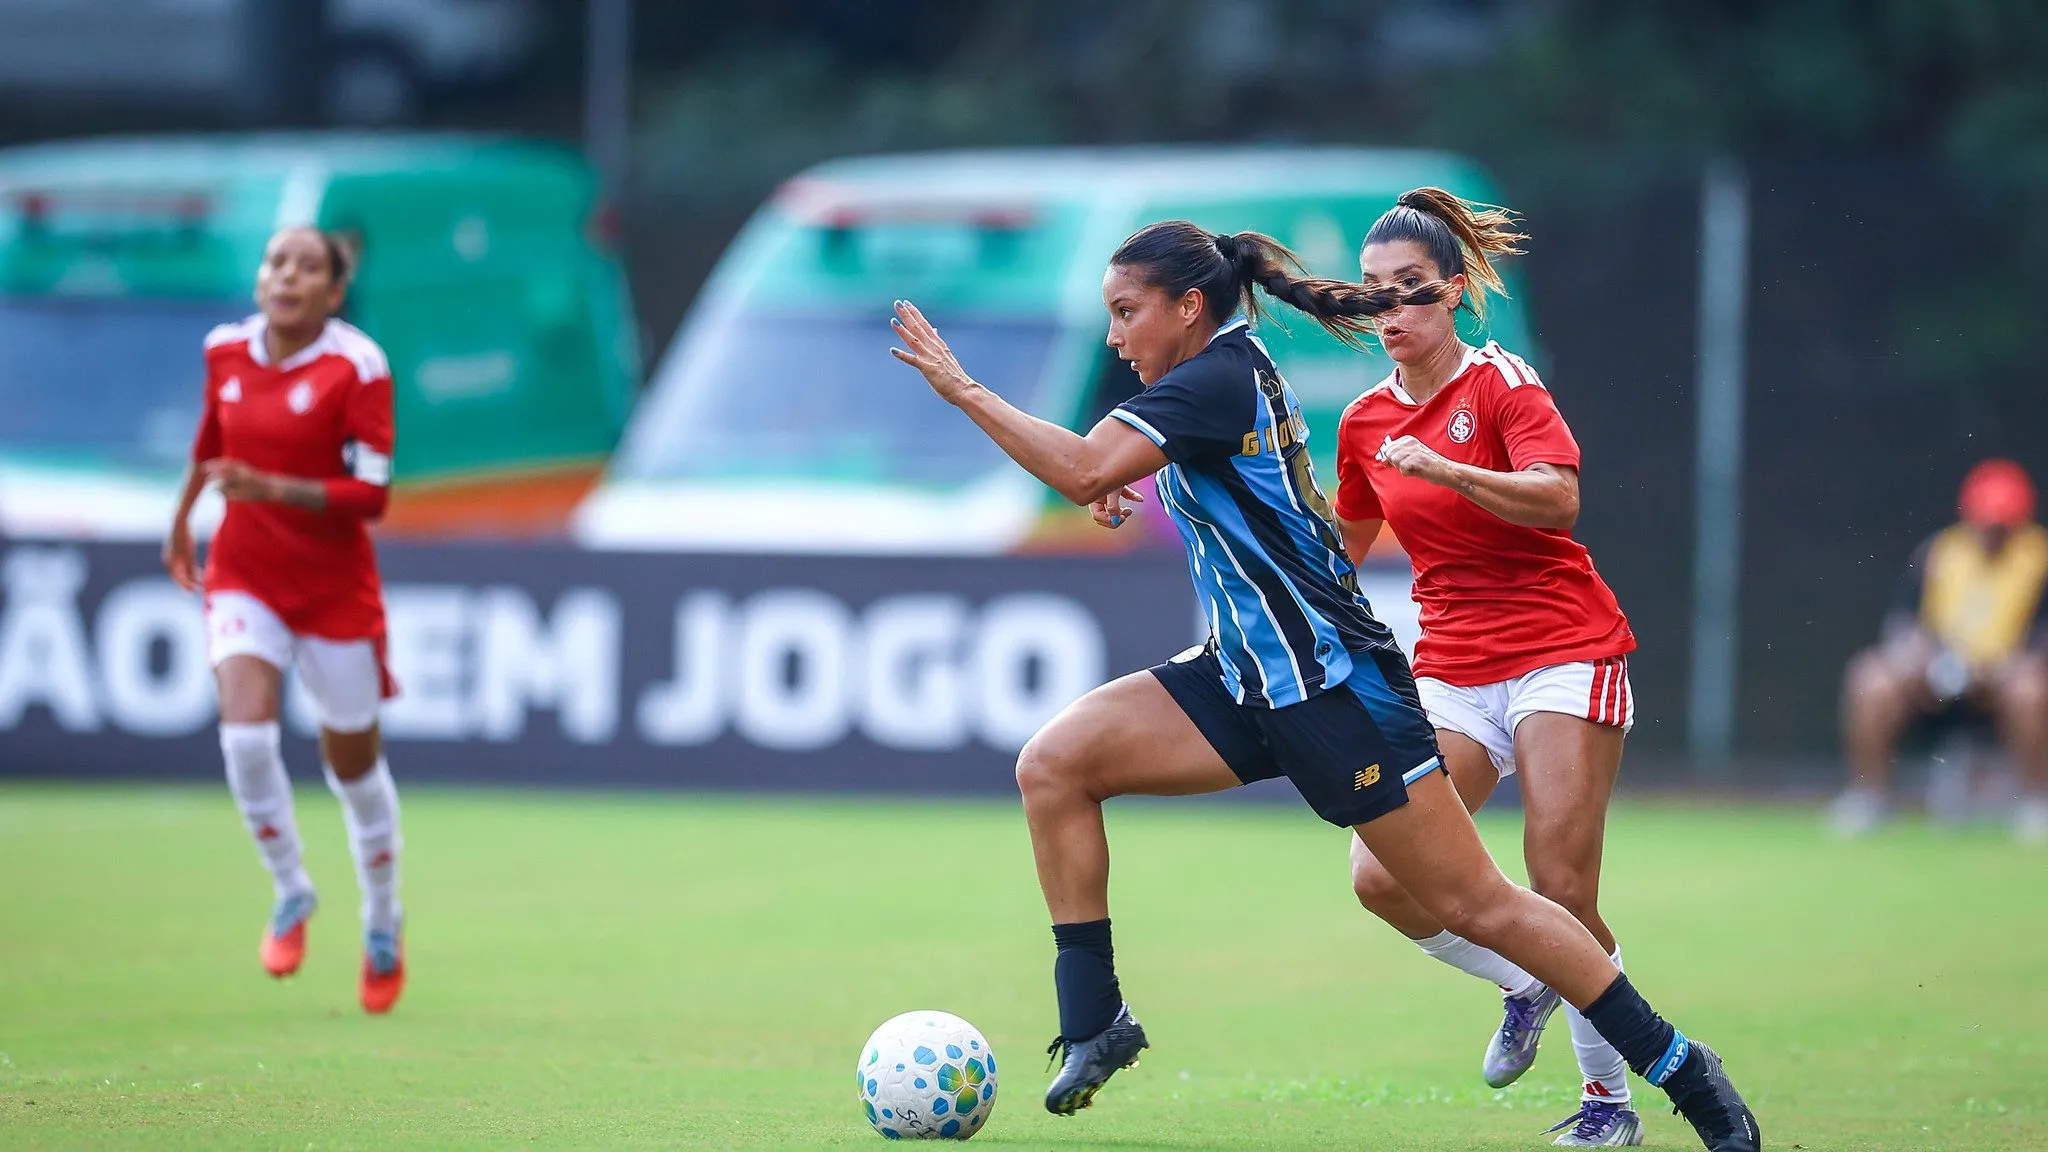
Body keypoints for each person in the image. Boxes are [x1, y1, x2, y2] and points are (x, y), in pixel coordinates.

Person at [888, 221, 1760, 1151]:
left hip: (1333, 687)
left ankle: (1682, 1073)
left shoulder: (1219, 378)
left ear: (1190, 309)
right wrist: (1112, 481)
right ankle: (1097, 1018)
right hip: (1248, 675)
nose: (1114, 336)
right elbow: (1128, 475)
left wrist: (963, 389)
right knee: (1055, 764)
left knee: (1484, 906)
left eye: (1125, 312)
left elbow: (1082, 464)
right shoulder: (1203, 383)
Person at [1331, 188, 1645, 1146]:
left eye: (1411, 293)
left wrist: (1449, 468)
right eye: (1374, 297)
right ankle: (1525, 981)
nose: (1391, 314)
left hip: (1562, 648)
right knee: (1380, 875)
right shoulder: (1362, 423)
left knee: (1558, 879)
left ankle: (1608, 1105)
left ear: (1454, 294)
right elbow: (1334, 550)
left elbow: (1558, 503)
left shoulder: (1503, 383)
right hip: (1453, 669)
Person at [163, 225, 407, 1014]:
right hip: (247, 573)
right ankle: (292, 888)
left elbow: (372, 496)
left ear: (334, 293)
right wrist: (180, 522)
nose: (287, 277)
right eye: (276, 263)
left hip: (334, 590)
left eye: (308, 268)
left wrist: (274, 488)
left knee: (354, 770)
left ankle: (382, 918)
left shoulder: (358, 367)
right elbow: (210, 443)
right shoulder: (224, 351)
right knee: (244, 733)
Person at [1833, 458, 2048, 842]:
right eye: (1987, 521)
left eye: (2003, 524)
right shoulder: (1939, 552)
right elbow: (1903, 624)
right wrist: (1918, 658)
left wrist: (2004, 667)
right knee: (1870, 677)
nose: (1993, 533)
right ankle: (1870, 798)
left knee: (2031, 688)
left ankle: (2035, 804)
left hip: (2005, 683)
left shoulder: (2039, 560)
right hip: (1937, 677)